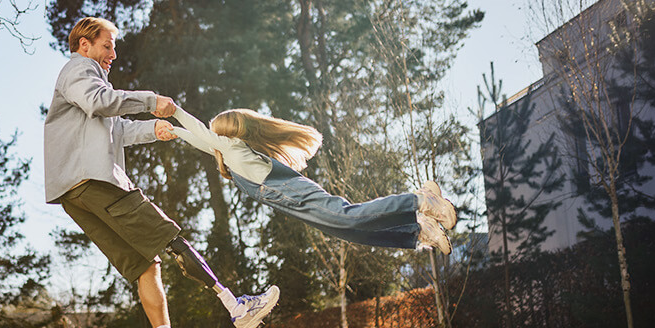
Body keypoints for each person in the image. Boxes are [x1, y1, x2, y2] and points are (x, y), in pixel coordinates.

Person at [46, 17, 280, 328]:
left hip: (73, 192)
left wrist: (155, 129)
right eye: (107, 45)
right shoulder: (80, 70)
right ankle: (237, 308)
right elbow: (101, 102)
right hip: (93, 181)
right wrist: (150, 100)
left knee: (145, 264)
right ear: (84, 45)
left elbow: (116, 129)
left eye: (114, 47)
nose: (113, 53)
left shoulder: (87, 84)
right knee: (170, 236)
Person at [162, 107, 458, 252]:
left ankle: (422, 201)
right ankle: (416, 231)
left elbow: (201, 134)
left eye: (216, 133)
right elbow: (202, 140)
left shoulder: (232, 148)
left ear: (226, 134)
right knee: (349, 231)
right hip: (291, 199)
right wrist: (174, 132)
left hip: (292, 192)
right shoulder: (228, 153)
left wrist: (175, 113)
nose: (212, 138)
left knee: (348, 219)